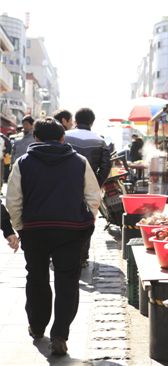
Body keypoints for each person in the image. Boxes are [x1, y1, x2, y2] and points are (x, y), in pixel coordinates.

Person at [6, 117, 101, 356]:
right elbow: (93, 196)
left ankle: (37, 327)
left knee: (37, 279)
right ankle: (60, 335)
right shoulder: (79, 162)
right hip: (70, 230)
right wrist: (88, 220)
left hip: (35, 230)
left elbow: (13, 201)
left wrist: (20, 227)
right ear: (62, 138)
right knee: (67, 281)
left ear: (35, 138)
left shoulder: (22, 163)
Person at [64, 108, 112, 267]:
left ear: (76, 121)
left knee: (63, 217)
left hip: (64, 184)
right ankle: (82, 256)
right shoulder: (100, 140)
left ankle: (63, 251)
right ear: (92, 122)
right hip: (88, 188)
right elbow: (106, 166)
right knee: (87, 219)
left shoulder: (65, 136)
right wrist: (96, 184)